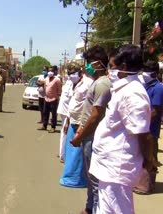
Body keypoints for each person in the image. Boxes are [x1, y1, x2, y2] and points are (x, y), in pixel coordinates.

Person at [89, 45, 154, 213]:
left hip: (117, 169)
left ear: (123, 68)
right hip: (108, 168)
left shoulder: (132, 93)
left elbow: (143, 134)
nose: (109, 70)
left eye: (111, 66)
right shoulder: (122, 90)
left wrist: (149, 161)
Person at [70, 45, 111, 214]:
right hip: (88, 136)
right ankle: (89, 207)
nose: (86, 66)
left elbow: (95, 116)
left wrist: (80, 135)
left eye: (89, 63)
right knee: (90, 176)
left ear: (98, 64)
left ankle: (95, 209)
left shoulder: (102, 84)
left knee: (95, 180)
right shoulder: (97, 83)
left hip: (93, 137)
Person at [60, 62, 93, 188]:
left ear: (80, 73)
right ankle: (69, 176)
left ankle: (79, 180)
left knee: (79, 154)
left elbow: (90, 106)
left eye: (74, 73)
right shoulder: (72, 84)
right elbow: (72, 104)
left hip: (81, 123)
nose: (71, 75)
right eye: (69, 73)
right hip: (72, 121)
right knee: (70, 151)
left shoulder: (88, 83)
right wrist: (67, 121)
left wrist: (83, 125)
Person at [136, 60, 163, 193]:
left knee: (151, 156)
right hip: (142, 127)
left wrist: (142, 120)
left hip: (151, 129)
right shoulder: (144, 86)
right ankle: (141, 182)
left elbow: (156, 110)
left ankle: (148, 185)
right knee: (142, 155)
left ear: (155, 73)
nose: (144, 73)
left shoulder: (158, 88)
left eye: (147, 70)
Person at [37, 68, 62, 133]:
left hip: (54, 99)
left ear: (54, 72)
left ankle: (53, 127)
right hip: (46, 98)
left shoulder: (57, 80)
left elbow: (59, 89)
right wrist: (39, 82)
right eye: (49, 71)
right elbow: (42, 84)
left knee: (53, 114)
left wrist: (58, 97)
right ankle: (44, 126)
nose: (50, 72)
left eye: (51, 71)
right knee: (45, 112)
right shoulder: (46, 79)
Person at [57, 70, 73, 162]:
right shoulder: (69, 82)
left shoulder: (70, 83)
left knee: (65, 133)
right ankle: (62, 154)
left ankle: (62, 153)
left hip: (67, 111)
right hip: (65, 111)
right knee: (65, 132)